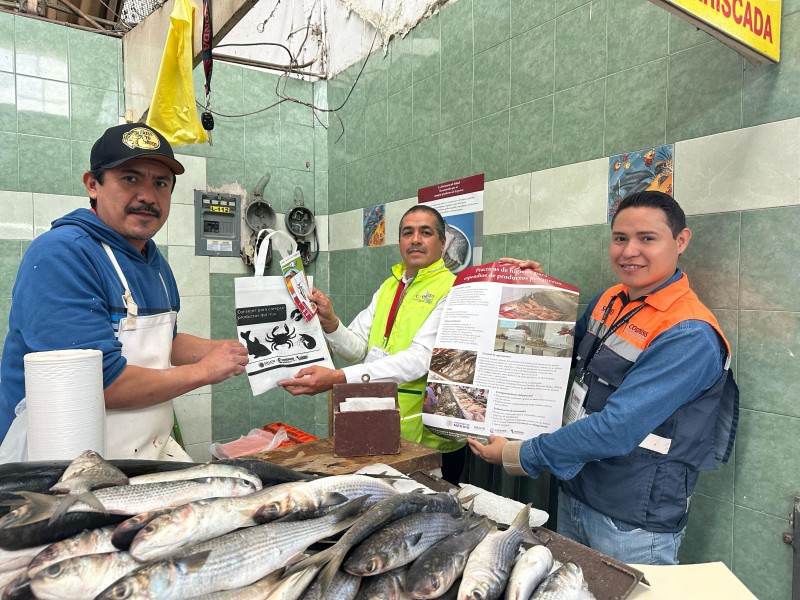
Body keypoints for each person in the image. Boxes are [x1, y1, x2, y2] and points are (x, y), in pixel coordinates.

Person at [467, 191, 738, 565]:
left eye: (647, 238)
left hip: (631, 517)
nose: (630, 251)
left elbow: (615, 429)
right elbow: (553, 351)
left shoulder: (688, 334)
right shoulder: (611, 299)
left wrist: (517, 455)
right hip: (577, 488)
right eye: (620, 238)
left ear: (681, 241)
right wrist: (532, 291)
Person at [0, 123, 249, 460]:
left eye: (160, 183)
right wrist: (204, 371)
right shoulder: (62, 254)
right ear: (92, 184)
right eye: (130, 178)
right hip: (59, 465)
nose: (147, 196)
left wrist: (223, 351)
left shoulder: (152, 259)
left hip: (141, 454)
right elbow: (100, 382)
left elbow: (164, 343)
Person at [279, 205, 466, 483]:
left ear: (442, 242)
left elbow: (421, 359)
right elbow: (356, 347)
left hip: (426, 442)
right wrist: (330, 320)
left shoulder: (453, 289)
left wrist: (338, 378)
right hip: (377, 426)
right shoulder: (389, 287)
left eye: (425, 233)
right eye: (407, 233)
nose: (415, 239)